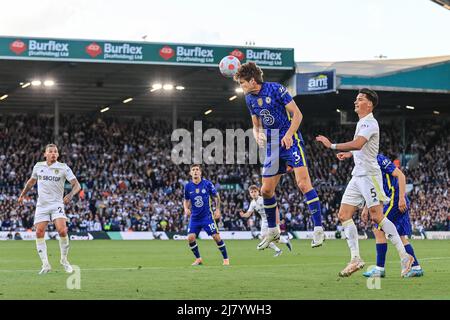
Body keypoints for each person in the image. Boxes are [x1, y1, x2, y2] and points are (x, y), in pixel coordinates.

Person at [316, 88, 414, 277]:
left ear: (369, 104)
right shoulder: (362, 122)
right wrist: (349, 153)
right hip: (358, 175)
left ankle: (404, 256)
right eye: (356, 99)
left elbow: (359, 143)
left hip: (369, 175)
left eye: (359, 99)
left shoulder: (370, 123)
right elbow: (360, 148)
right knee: (344, 214)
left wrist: (332, 146)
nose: (355, 102)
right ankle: (355, 259)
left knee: (377, 217)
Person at [234, 62, 325, 250]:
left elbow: (297, 115)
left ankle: (318, 228)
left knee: (303, 184)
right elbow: (256, 124)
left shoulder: (276, 89)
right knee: (266, 190)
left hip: (290, 140)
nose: (241, 86)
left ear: (252, 81)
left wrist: (289, 134)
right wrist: (257, 134)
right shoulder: (249, 99)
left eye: (242, 83)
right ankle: (273, 232)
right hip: (272, 144)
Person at [18, 144, 81, 274]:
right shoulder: (38, 166)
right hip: (42, 205)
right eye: (50, 151)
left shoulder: (63, 168)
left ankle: (64, 260)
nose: (53, 153)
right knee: (39, 232)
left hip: (56, 203)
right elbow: (31, 182)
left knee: (62, 230)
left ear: (58, 155)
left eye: (55, 152)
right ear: (45, 154)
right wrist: (22, 194)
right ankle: (45, 264)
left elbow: (77, 185)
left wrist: (70, 195)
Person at [361, 154, 423, 278]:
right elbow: (374, 189)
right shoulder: (366, 164)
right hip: (391, 199)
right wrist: (366, 207)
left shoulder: (379, 159)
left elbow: (401, 175)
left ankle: (379, 269)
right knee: (400, 236)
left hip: (394, 199)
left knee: (378, 230)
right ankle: (416, 267)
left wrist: (401, 199)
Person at [183, 164, 229, 266]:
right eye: (193, 170)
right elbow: (186, 200)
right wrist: (186, 208)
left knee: (216, 237)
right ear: (190, 173)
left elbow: (216, 197)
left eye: (197, 170)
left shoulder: (207, 184)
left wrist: (217, 210)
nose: (195, 171)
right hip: (194, 218)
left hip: (206, 217)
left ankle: (226, 259)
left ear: (200, 172)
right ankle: (198, 259)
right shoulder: (188, 186)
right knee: (190, 238)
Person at [240, 185, 292, 256]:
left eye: (255, 191)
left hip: (272, 219)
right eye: (251, 192)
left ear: (258, 192)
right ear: (250, 194)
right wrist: (243, 215)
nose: (253, 193)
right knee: (263, 238)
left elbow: (275, 207)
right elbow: (249, 213)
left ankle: (286, 241)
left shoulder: (263, 199)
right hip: (264, 221)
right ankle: (278, 250)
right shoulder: (252, 203)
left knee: (275, 239)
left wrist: (277, 219)